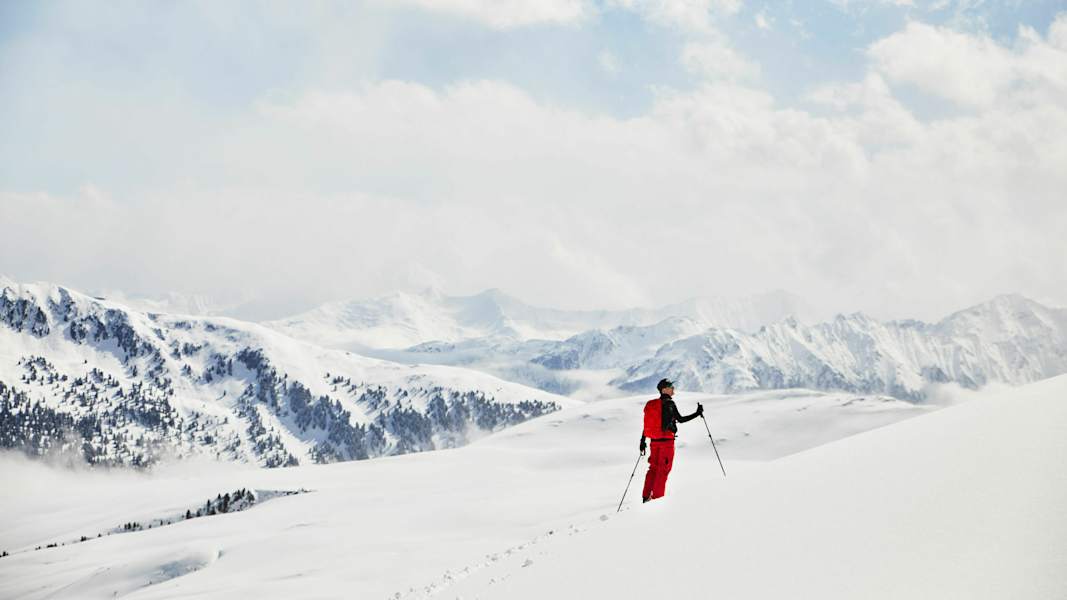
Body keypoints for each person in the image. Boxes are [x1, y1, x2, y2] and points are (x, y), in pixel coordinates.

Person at [640, 378, 703, 502]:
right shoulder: (669, 403)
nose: (673, 388)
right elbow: (681, 419)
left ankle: (646, 496)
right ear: (664, 389)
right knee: (663, 470)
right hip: (666, 443)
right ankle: (657, 499)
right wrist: (697, 413)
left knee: (653, 468)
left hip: (654, 442)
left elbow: (647, 425)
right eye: (670, 386)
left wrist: (643, 441)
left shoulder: (653, 405)